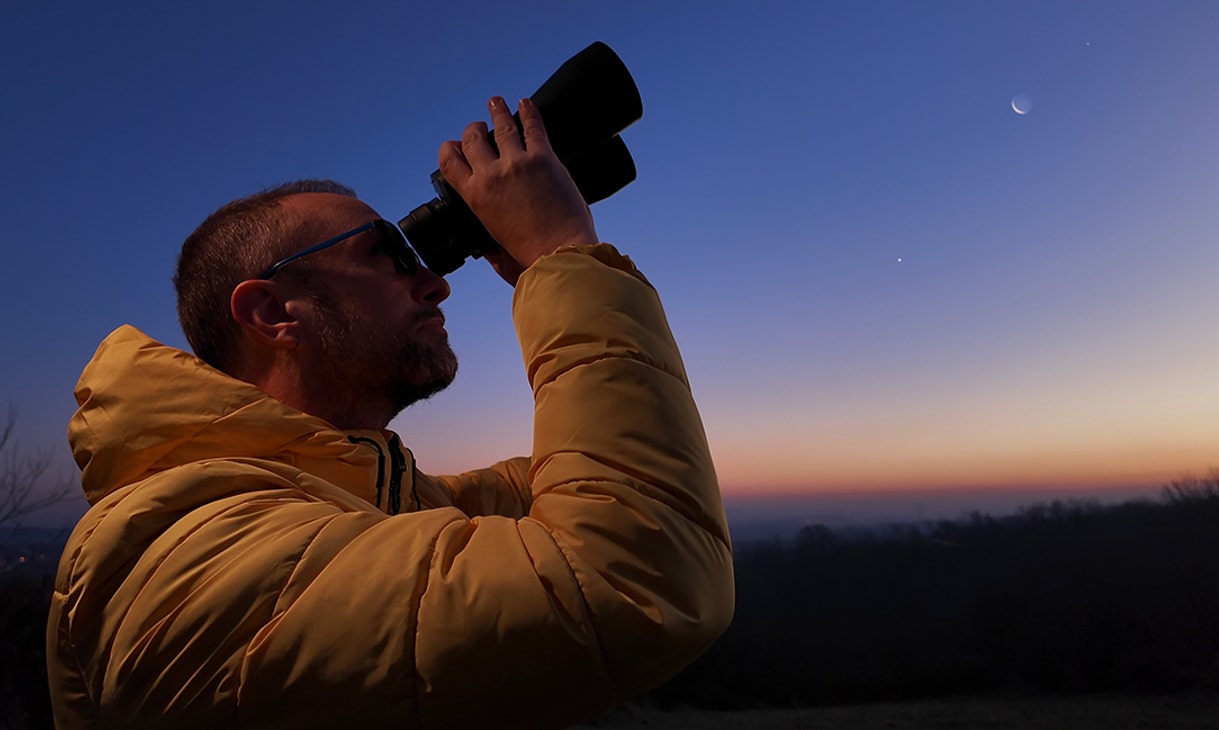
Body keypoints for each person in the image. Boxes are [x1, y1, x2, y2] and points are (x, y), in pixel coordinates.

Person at [46, 96, 734, 729]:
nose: (436, 284)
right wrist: (559, 254)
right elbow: (633, 573)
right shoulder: (187, 557)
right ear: (275, 312)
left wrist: (535, 255)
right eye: (387, 259)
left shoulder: (384, 500)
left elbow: (623, 475)